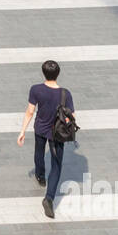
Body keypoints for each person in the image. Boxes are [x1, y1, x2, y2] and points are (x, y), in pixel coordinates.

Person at [17, 59, 76, 219]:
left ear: (44, 73)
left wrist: (22, 131)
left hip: (40, 129)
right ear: (58, 73)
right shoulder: (66, 93)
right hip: (57, 133)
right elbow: (71, 116)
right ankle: (49, 198)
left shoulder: (36, 90)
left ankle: (40, 175)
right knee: (56, 165)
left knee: (39, 152)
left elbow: (30, 111)